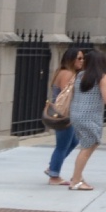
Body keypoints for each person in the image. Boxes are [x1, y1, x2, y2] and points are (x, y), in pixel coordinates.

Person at [65, 44, 106, 192]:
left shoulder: (80, 75)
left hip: (77, 114)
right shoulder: (102, 77)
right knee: (87, 148)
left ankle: (78, 177)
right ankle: (76, 181)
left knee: (89, 145)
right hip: (90, 116)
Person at [45, 47, 79, 185]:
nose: (82, 61)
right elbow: (67, 94)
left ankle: (53, 167)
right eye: (79, 58)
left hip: (61, 113)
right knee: (62, 145)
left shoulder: (62, 72)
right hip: (64, 114)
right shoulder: (68, 73)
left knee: (73, 141)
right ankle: (54, 176)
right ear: (71, 59)